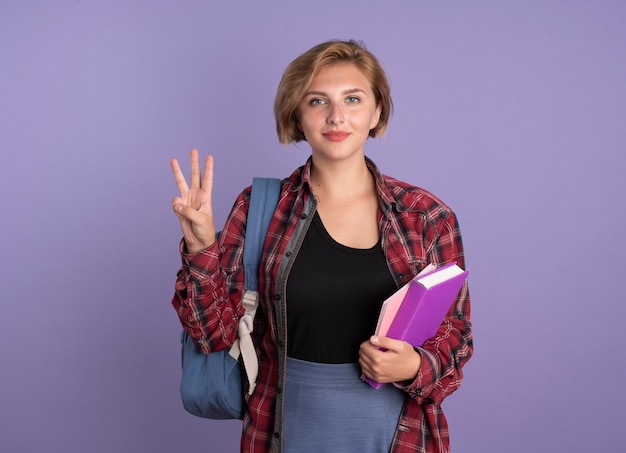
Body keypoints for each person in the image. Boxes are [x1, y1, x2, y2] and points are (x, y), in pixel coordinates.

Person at [170, 40, 472, 453]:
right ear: (297, 114)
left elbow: (455, 336)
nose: (336, 116)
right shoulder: (261, 207)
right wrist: (202, 245)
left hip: (397, 435)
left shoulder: (427, 216)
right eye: (317, 100)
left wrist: (415, 365)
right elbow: (214, 336)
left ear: (377, 111)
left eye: (352, 98)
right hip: (285, 432)